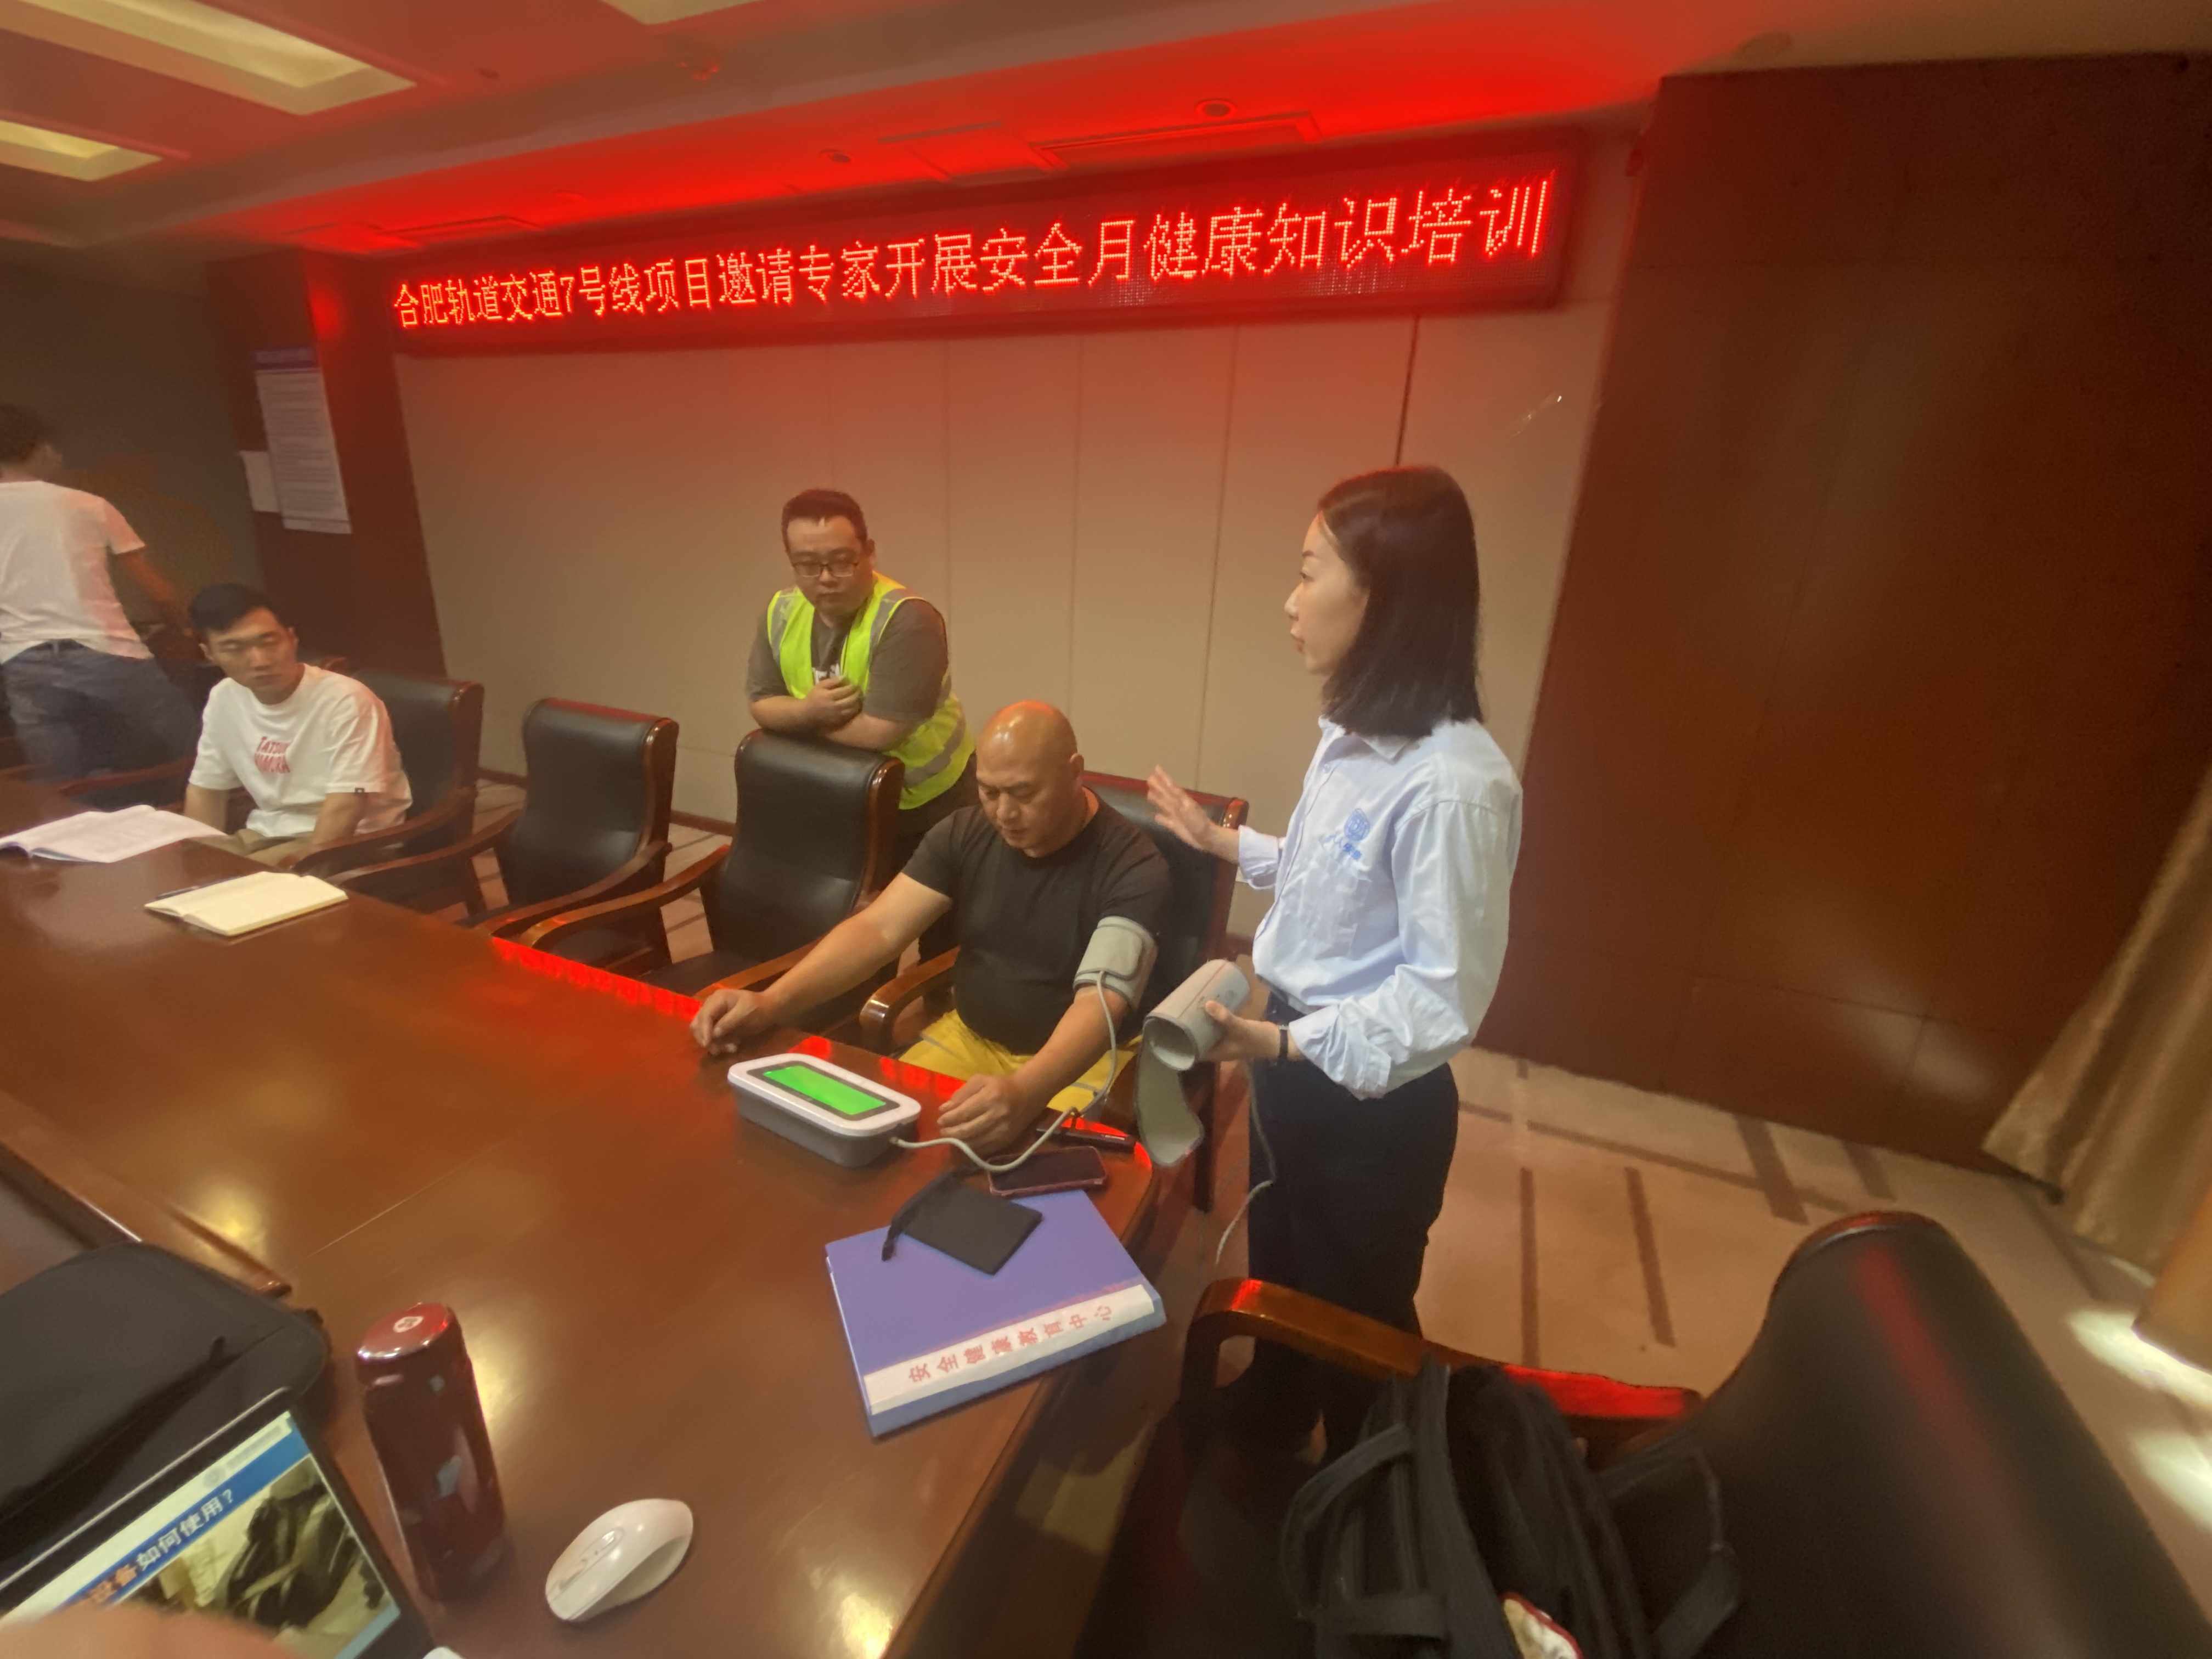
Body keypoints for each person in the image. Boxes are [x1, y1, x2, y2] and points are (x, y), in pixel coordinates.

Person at [1147, 465, 1522, 1455]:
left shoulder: (1455, 785)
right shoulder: (1355, 736)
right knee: (1282, 1262)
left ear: (1382, 595)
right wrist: (1225, 843)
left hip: (1375, 1106)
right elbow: (1337, 880)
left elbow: (1439, 999)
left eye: (1310, 571)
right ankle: (1274, 1413)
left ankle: (1369, 1489)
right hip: (1295, 1058)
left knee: (1358, 1319)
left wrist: (1278, 1042)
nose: (1290, 599)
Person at [693, 702, 1170, 1155]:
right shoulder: (963, 832)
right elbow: (878, 930)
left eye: (1024, 794)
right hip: (973, 1035)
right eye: (989, 792)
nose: (1004, 814)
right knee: (887, 1139)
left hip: (1084, 1057)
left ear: (1074, 772)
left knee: (1030, 1173)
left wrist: (1027, 1091)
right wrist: (771, 1002)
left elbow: (1099, 1004)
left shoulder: (1133, 866)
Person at [746, 487, 977, 865]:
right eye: (808, 564)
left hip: (924, 806)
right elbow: (761, 704)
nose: (826, 578)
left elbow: (881, 733)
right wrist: (808, 711)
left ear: (869, 551)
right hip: (836, 795)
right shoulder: (780, 611)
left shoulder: (907, 619)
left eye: (841, 562)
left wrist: (798, 723)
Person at [0, 404, 198, 781]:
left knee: (59, 780)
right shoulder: (87, 505)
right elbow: (156, 588)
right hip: (104, 648)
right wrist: (188, 627)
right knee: (185, 739)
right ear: (38, 448)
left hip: (23, 660)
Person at [180, 584, 410, 867]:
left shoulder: (345, 699)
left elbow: (347, 804)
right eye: (234, 649)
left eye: (269, 642)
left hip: (350, 839)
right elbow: (206, 789)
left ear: (292, 638)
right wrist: (200, 858)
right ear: (209, 653)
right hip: (267, 833)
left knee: (232, 887)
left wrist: (302, 871)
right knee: (179, 876)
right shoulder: (224, 697)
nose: (259, 661)